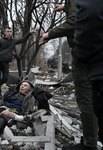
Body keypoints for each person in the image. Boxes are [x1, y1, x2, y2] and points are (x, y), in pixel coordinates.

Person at [41, 1, 98, 150]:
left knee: (86, 99)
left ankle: (89, 144)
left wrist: (50, 33)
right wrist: (65, 7)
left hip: (87, 51)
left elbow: (74, 22)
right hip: (96, 48)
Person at [72, 0, 103, 148]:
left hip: (97, 67)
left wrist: (81, 58)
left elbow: (91, 13)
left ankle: (89, 143)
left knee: (88, 102)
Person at [0, 27, 36, 97]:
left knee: (5, 78)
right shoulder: (0, 40)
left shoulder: (13, 40)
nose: (9, 33)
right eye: (8, 31)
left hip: (6, 62)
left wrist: (29, 33)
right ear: (5, 32)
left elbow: (22, 40)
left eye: (10, 32)